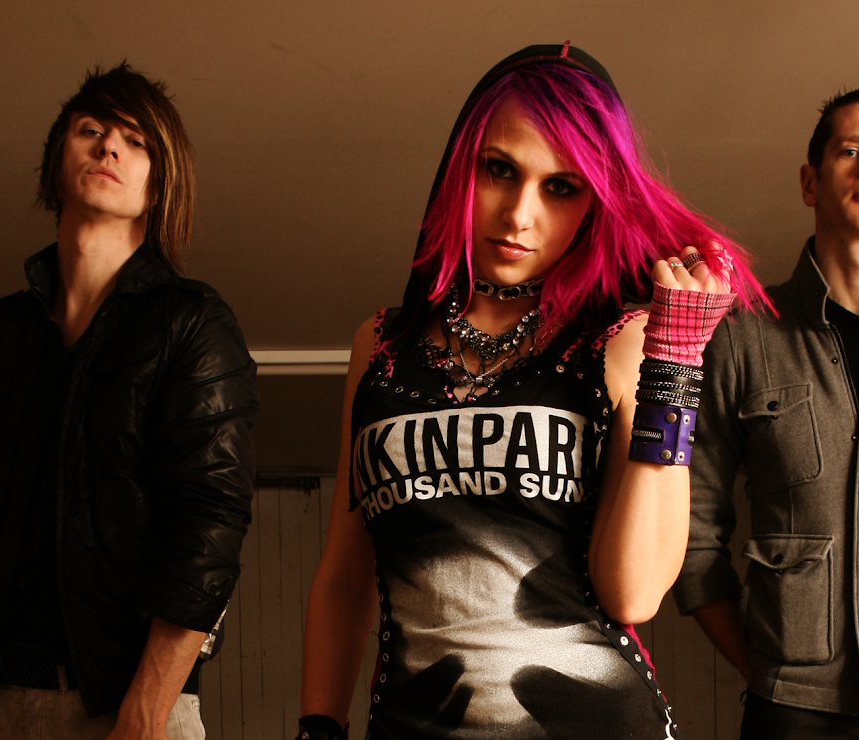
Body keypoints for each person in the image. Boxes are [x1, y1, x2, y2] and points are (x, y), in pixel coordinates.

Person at [298, 43, 767, 740]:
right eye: (499, 169)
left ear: (595, 202)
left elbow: (634, 590)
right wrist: (318, 729)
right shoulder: (381, 347)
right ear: (461, 168)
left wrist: (676, 359)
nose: (520, 214)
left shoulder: (623, 342)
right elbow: (344, 575)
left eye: (561, 187)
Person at [672, 81, 859, 738]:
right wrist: (768, 672)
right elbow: (691, 537)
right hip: (792, 708)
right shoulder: (744, 338)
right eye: (851, 150)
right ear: (811, 182)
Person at [0, 63, 258, 739]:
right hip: (2, 702)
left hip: (132, 705)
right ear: (57, 161)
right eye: (91, 129)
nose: (109, 146)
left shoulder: (191, 322)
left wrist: (146, 709)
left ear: (159, 184)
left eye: (136, 141)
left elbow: (210, 526)